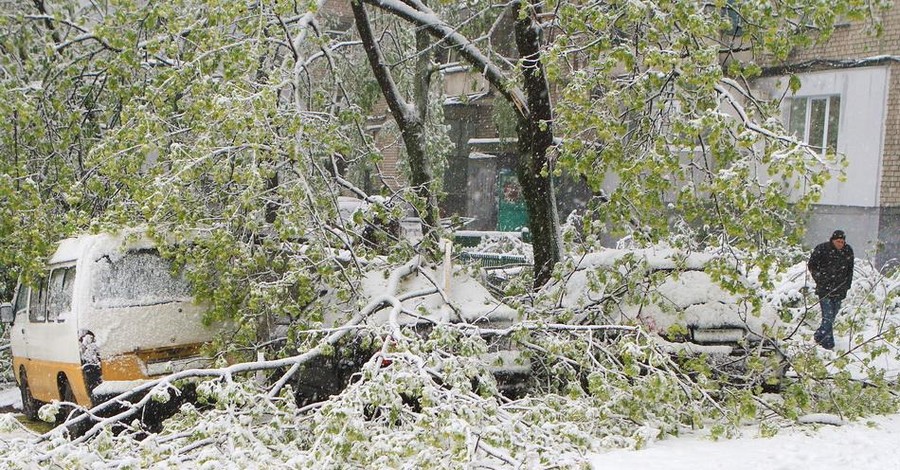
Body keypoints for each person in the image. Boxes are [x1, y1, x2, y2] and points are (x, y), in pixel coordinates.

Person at [807, 230, 855, 350]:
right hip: (825, 289)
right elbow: (812, 265)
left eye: (842, 242)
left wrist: (847, 285)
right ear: (832, 240)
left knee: (832, 316)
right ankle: (828, 343)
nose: (840, 244)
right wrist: (820, 279)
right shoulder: (822, 249)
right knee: (827, 317)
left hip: (840, 290)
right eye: (838, 241)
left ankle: (819, 336)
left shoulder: (848, 251)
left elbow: (850, 270)